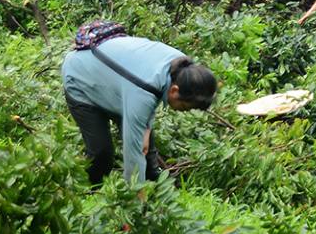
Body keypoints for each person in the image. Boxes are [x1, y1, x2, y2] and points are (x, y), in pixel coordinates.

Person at [61, 30, 217, 186]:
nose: (182, 111)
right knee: (102, 153)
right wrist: (136, 196)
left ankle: (155, 189)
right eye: (184, 106)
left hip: (118, 81)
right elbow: (133, 153)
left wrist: (147, 129)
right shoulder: (143, 92)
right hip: (81, 78)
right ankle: (91, 191)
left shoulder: (182, 67)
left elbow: (151, 88)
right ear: (175, 91)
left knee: (147, 150)